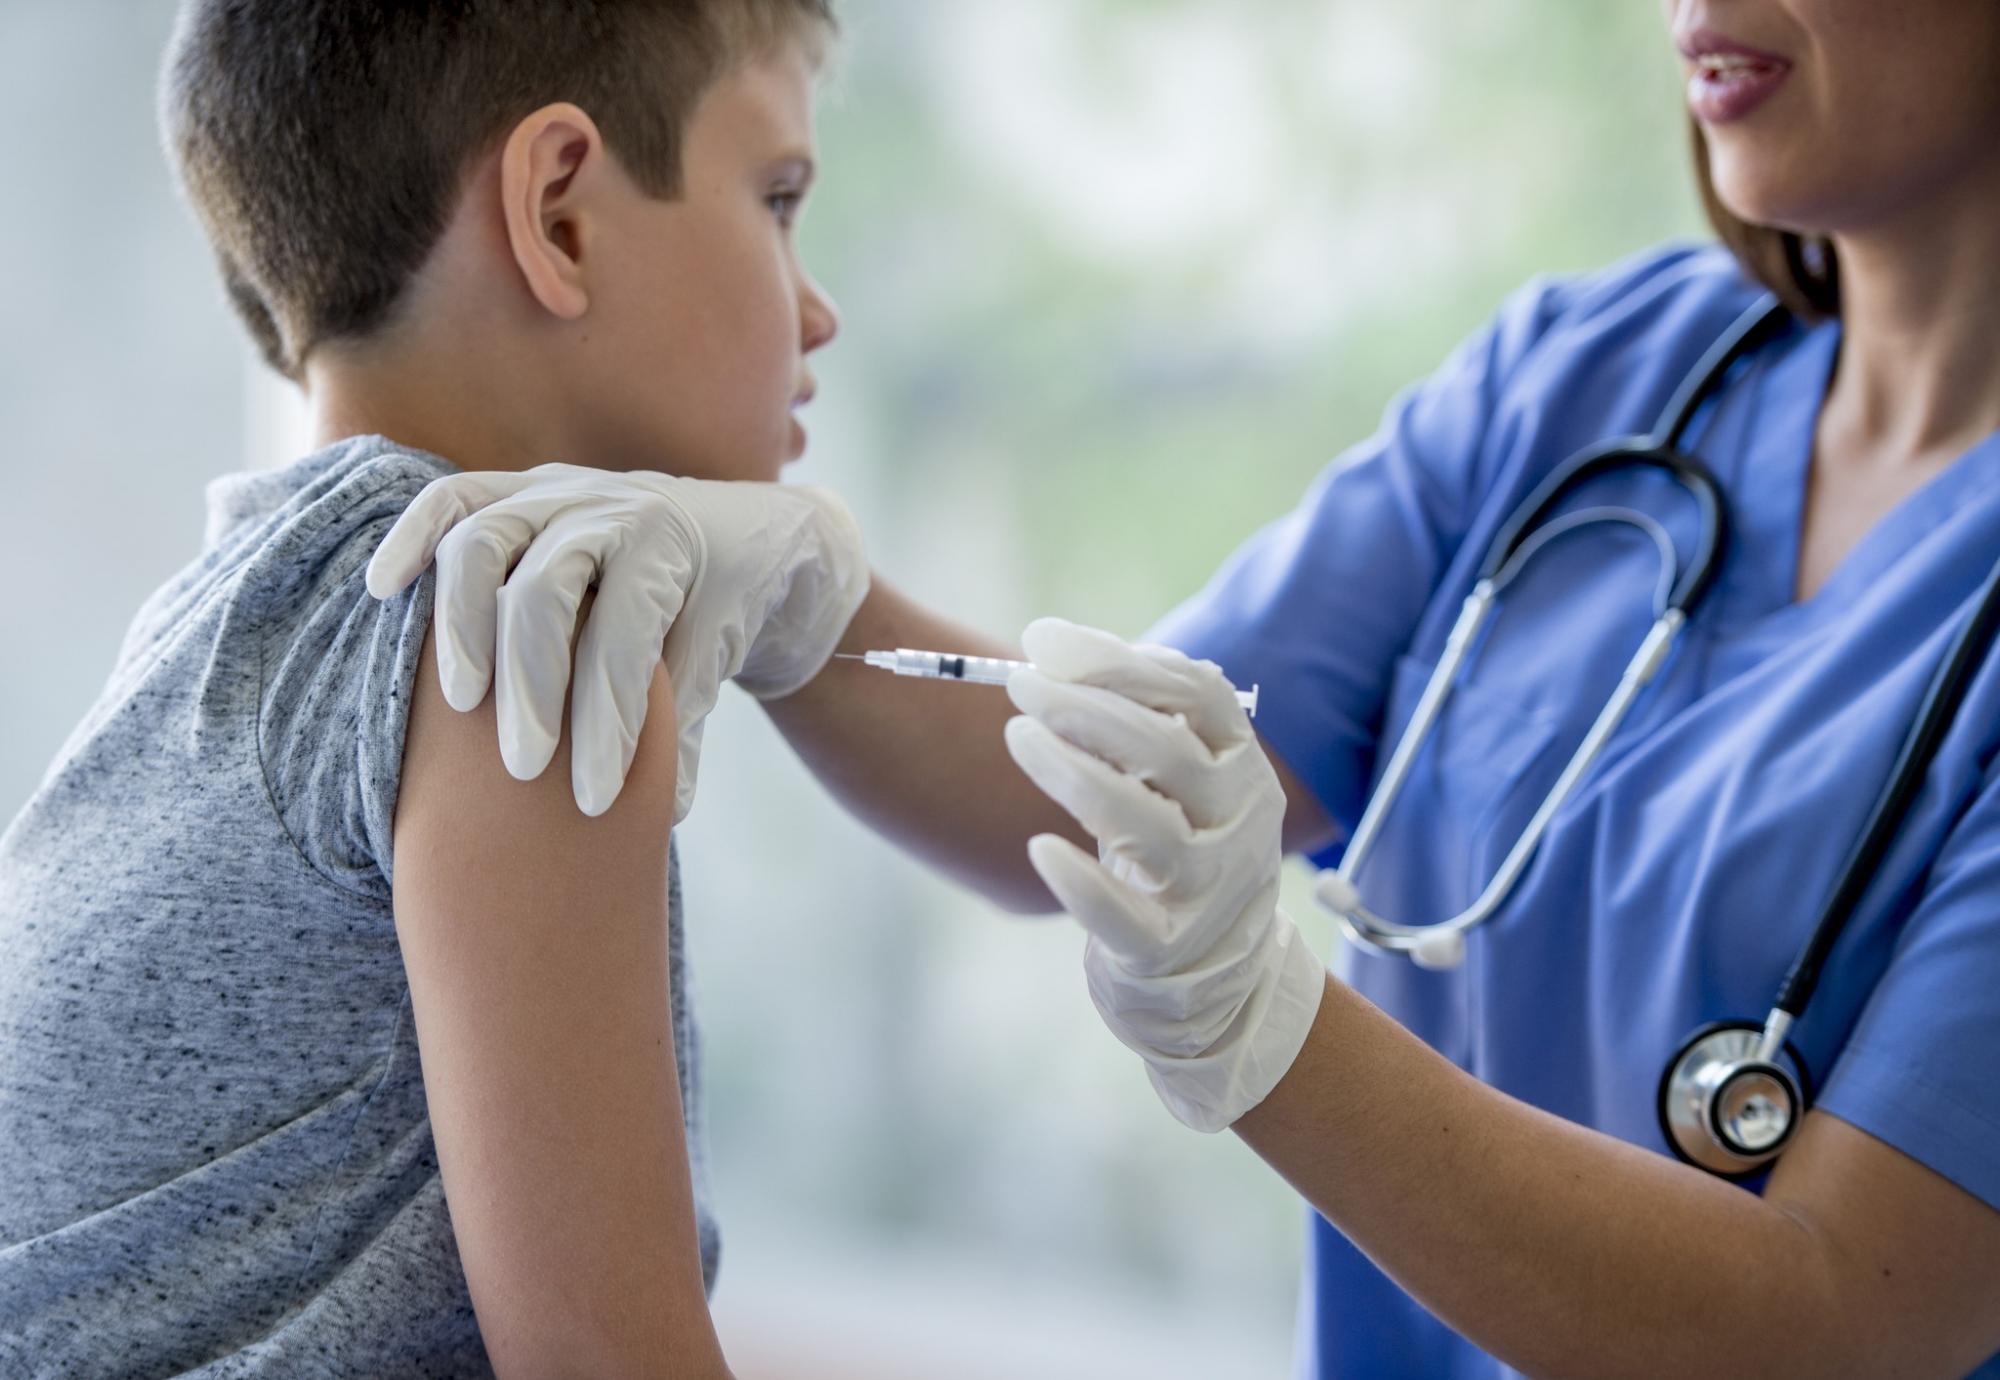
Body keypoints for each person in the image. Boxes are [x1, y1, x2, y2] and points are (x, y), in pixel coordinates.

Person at [380, 0, 2000, 1373]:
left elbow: (1848, 1318)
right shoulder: (1593, 377)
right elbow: (1107, 782)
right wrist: (815, 600)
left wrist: (1267, 1027)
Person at [0, 2, 868, 1375]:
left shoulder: (212, 630)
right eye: (777, 200)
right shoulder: (509, 630)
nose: (817, 308)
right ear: (561, 213)